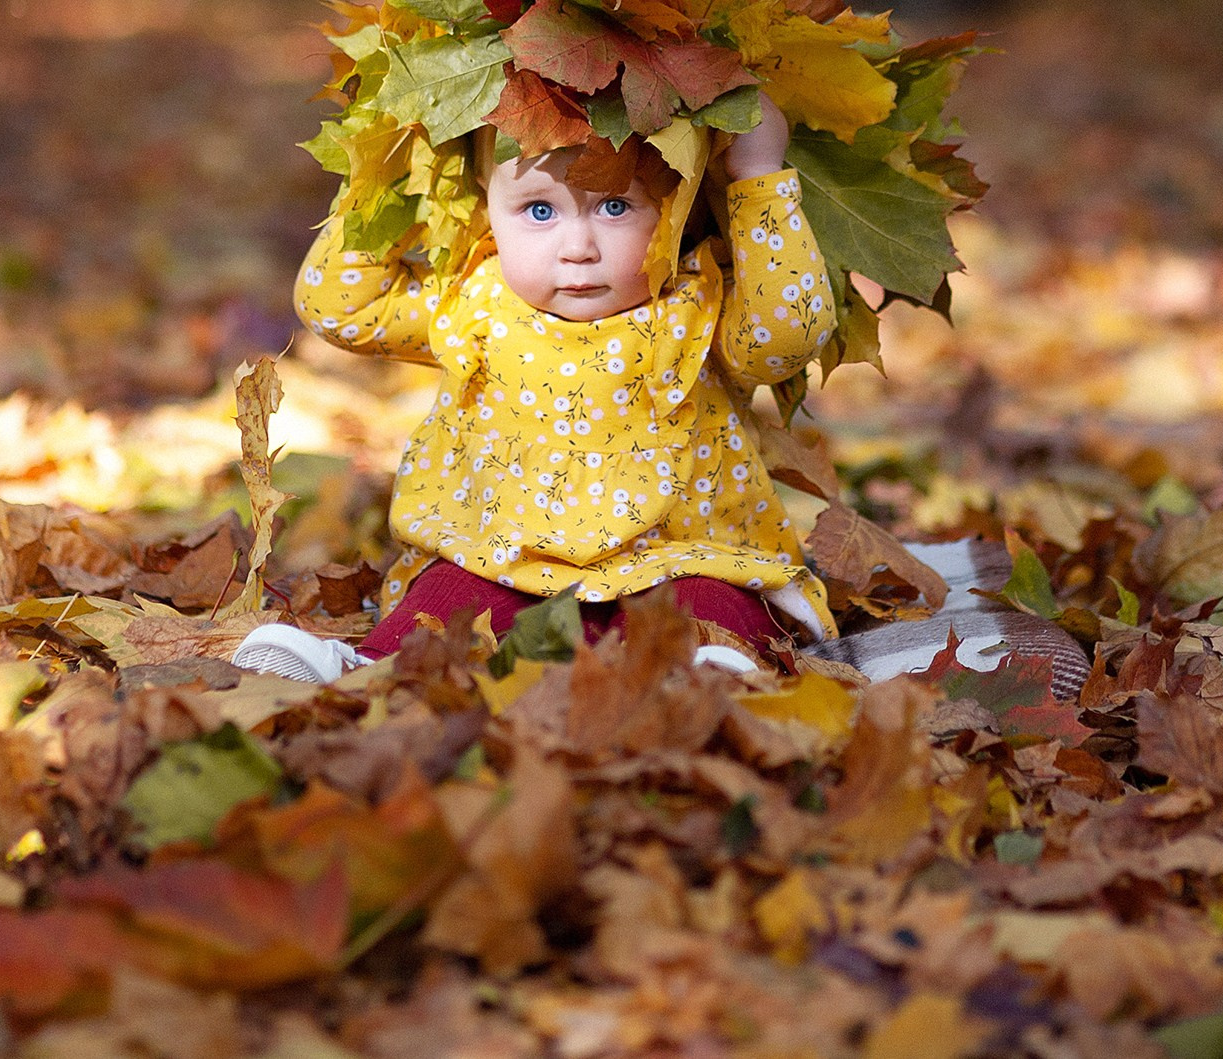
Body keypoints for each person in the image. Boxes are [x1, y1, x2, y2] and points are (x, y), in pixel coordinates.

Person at [234, 92, 838, 683]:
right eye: (540, 211)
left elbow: (790, 333)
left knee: (716, 603)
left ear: (681, 206)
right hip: (507, 564)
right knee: (451, 596)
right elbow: (337, 304)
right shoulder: (474, 301)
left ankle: (708, 674)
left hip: (675, 560)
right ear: (486, 208)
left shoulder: (699, 303)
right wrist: (387, 168)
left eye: (616, 207)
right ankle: (377, 669)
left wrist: (757, 177)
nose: (578, 249)